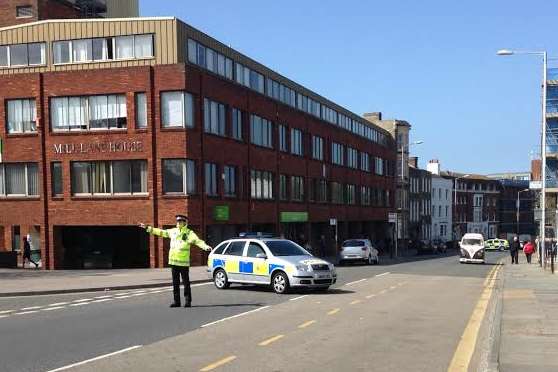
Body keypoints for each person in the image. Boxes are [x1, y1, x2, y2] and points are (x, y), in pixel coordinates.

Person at [139, 215, 211, 308]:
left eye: (180, 221)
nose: (178, 223)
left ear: (185, 222)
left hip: (183, 262)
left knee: (186, 282)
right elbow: (161, 232)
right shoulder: (173, 231)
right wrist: (147, 228)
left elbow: (198, 241)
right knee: (175, 283)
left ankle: (187, 301)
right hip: (173, 262)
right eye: (177, 221)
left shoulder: (189, 233)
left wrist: (206, 247)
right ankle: (176, 301)